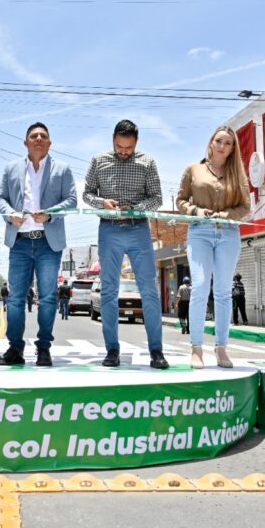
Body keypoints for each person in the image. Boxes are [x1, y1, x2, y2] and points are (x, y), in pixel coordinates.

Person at [82, 119, 169, 369]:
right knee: (108, 291)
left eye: (128, 148)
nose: (123, 152)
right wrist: (103, 203)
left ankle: (156, 351)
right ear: (113, 139)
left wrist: (136, 208)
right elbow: (87, 194)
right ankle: (112, 351)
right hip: (108, 230)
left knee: (149, 290)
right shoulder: (99, 161)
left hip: (138, 229)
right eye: (120, 147)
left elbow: (157, 198)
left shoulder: (147, 162)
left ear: (136, 142)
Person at [0, 122, 77, 367]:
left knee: (49, 298)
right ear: (25, 142)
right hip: (19, 242)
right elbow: (0, 198)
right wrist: (9, 214)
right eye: (33, 136)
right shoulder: (11, 168)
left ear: (49, 143)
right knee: (16, 298)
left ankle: (43, 349)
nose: (38, 139)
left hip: (48, 244)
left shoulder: (62, 169)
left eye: (43, 136)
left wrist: (50, 214)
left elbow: (72, 200)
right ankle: (15, 348)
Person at [177, 125, 251, 369]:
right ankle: (196, 348)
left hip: (228, 233)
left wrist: (225, 214)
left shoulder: (238, 174)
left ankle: (221, 348)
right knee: (199, 286)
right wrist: (196, 211)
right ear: (211, 143)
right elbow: (180, 200)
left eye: (227, 143)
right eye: (218, 141)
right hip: (200, 231)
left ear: (232, 148)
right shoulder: (193, 169)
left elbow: (244, 207)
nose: (222, 146)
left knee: (222, 291)